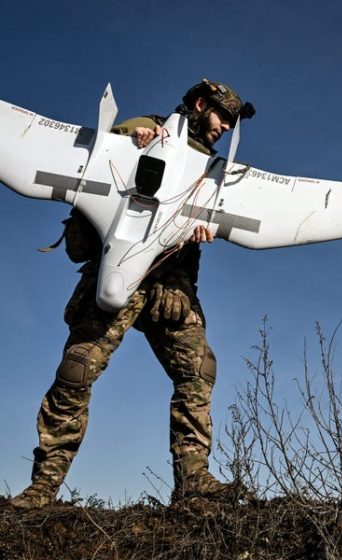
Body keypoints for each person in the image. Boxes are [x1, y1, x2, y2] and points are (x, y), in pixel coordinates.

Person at [9, 79, 255, 508]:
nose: (226, 129)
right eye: (223, 117)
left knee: (198, 372)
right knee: (77, 372)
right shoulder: (143, 132)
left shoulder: (212, 175)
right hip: (118, 276)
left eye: (232, 123)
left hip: (170, 291)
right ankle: (43, 488)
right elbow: (104, 155)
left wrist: (200, 232)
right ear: (201, 104)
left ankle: (193, 480)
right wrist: (131, 139)